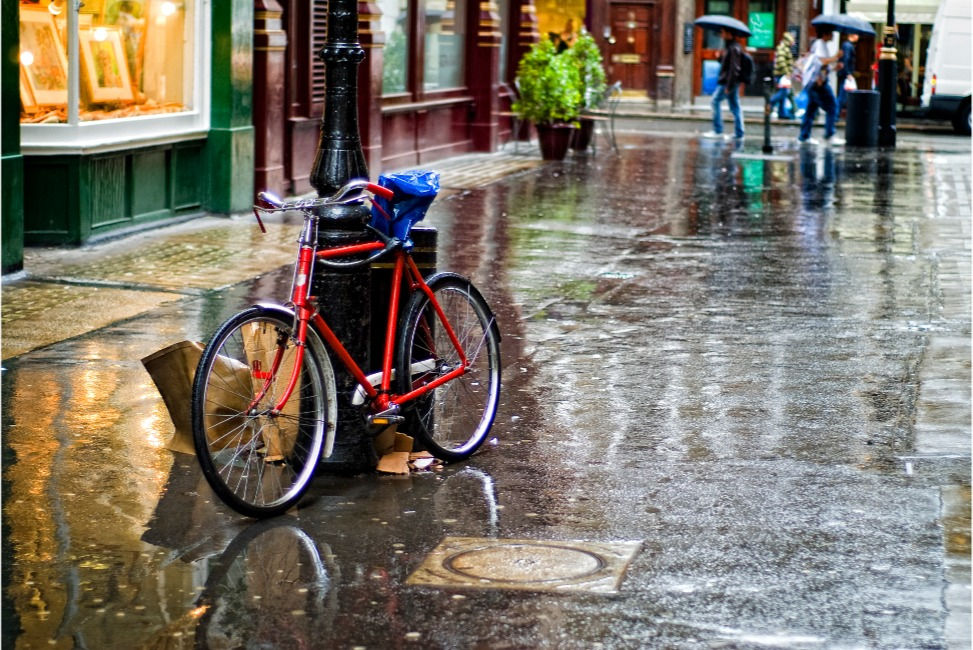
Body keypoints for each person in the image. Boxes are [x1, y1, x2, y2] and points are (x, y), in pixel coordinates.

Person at [798, 26, 843, 145]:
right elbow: (821, 61)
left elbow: (823, 66)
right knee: (832, 107)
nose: (833, 35)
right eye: (831, 33)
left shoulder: (821, 45)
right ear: (825, 34)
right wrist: (836, 57)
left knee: (811, 110)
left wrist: (834, 68)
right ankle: (829, 134)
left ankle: (804, 136)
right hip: (818, 83)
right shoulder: (819, 44)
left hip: (814, 82)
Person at [703, 28, 745, 140]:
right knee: (735, 106)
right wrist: (720, 58)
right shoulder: (730, 47)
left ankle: (718, 130)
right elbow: (727, 65)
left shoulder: (733, 48)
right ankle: (739, 133)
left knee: (715, 101)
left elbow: (734, 69)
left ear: (729, 34)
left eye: (723, 32)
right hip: (729, 81)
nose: (721, 35)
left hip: (727, 82)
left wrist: (728, 86)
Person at [770, 31, 796, 119]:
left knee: (784, 95)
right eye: (792, 41)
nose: (794, 43)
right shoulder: (783, 48)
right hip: (782, 75)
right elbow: (781, 61)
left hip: (782, 75)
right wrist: (787, 72)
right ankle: (770, 103)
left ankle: (782, 113)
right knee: (783, 92)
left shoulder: (784, 48)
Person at [836, 32, 859, 111]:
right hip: (845, 74)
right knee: (842, 95)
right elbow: (846, 59)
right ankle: (836, 114)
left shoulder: (847, 45)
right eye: (857, 34)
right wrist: (848, 73)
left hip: (845, 73)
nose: (858, 36)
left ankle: (837, 114)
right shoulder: (848, 46)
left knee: (844, 95)